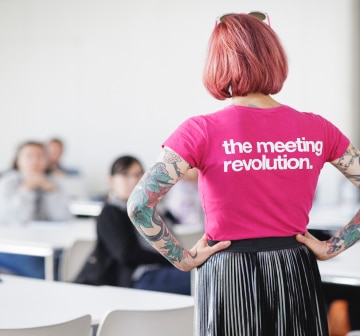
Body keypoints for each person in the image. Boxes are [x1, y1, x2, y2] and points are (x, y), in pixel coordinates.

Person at [127, 11, 360, 335]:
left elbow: (138, 204)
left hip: (227, 269)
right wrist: (331, 246)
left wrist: (183, 259)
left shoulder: (200, 130)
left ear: (218, 63)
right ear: (273, 58)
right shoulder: (317, 128)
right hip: (295, 268)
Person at [75, 155, 191, 295]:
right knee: (199, 279)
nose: (133, 180)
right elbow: (127, 254)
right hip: (137, 277)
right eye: (125, 175)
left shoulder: (153, 208)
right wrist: (169, 257)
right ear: (111, 181)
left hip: (162, 269)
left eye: (137, 174)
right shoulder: (111, 212)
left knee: (201, 276)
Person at [0, 140, 72, 278]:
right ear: (18, 161)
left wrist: (52, 192)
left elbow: (64, 218)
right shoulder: (7, 183)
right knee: (48, 274)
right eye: (29, 156)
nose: (35, 161)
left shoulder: (53, 183)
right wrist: (26, 189)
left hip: (48, 244)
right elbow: (17, 220)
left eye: (40, 156)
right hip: (14, 247)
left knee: (72, 265)